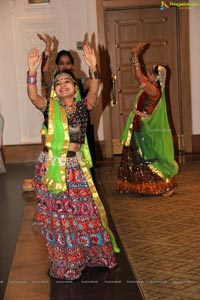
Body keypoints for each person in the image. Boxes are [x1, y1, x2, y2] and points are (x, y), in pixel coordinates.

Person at [27, 43, 119, 280]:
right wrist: (31, 71)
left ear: (75, 86)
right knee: (58, 219)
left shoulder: (82, 107)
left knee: (83, 214)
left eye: (67, 80)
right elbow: (33, 96)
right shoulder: (49, 108)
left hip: (73, 170)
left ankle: (92, 255)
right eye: (58, 83)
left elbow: (95, 88)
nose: (62, 84)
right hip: (49, 167)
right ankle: (66, 262)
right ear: (54, 91)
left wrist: (94, 67)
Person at [116, 42, 179, 197]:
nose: (148, 74)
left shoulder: (154, 90)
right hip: (137, 125)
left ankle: (165, 185)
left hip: (143, 128)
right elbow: (135, 74)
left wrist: (136, 55)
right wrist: (133, 57)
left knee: (144, 157)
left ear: (157, 78)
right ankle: (137, 185)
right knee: (134, 156)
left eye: (151, 73)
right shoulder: (149, 86)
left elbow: (138, 76)